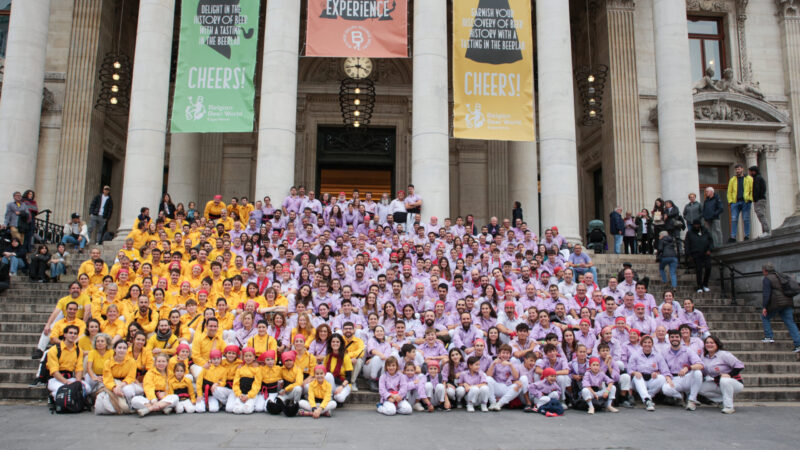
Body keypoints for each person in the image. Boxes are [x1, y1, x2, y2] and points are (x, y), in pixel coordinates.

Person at [698, 335, 744, 414]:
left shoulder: (724, 354)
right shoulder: (704, 358)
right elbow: (704, 373)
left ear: (717, 344)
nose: (709, 344)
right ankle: (721, 401)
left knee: (724, 380)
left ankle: (729, 407)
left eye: (712, 343)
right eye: (707, 343)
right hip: (718, 383)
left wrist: (729, 374)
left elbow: (740, 365)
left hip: (733, 382)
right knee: (699, 388)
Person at [760, 263, 800, 352]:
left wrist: (764, 307)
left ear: (765, 271)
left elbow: (766, 294)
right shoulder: (781, 275)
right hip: (788, 302)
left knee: (764, 317)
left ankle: (769, 336)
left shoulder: (767, 279)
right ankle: (798, 344)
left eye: (763, 271)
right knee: (790, 323)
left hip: (777, 303)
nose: (762, 272)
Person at [661, 329, 704, 410]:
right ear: (669, 339)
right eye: (672, 337)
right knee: (666, 389)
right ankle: (680, 397)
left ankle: (691, 400)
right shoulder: (664, 352)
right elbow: (663, 368)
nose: (674, 339)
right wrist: (668, 378)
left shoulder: (688, 350)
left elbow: (700, 365)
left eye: (677, 337)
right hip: (673, 378)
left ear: (680, 338)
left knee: (698, 373)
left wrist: (688, 368)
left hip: (686, 377)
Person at [685, 219, 713, 293]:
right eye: (695, 225)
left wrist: (710, 249)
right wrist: (688, 255)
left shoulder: (705, 231)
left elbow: (710, 241)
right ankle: (699, 286)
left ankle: (705, 284)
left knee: (708, 267)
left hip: (706, 253)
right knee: (698, 270)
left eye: (698, 225)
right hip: (696, 254)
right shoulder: (690, 233)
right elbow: (687, 244)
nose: (697, 226)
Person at [726, 163, 753, 242]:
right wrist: (730, 201)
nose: (738, 171)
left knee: (746, 219)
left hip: (745, 201)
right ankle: (733, 236)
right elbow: (729, 191)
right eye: (736, 169)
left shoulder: (748, 178)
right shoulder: (732, 179)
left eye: (739, 169)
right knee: (734, 219)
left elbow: (752, 189)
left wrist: (750, 199)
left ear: (742, 169)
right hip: (735, 202)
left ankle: (747, 235)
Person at [749, 165, 770, 237]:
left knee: (761, 215)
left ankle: (766, 231)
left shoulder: (757, 179)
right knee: (761, 215)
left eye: (750, 172)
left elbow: (757, 190)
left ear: (753, 172)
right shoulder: (758, 178)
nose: (749, 173)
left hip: (759, 200)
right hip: (760, 199)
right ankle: (765, 231)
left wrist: (755, 198)